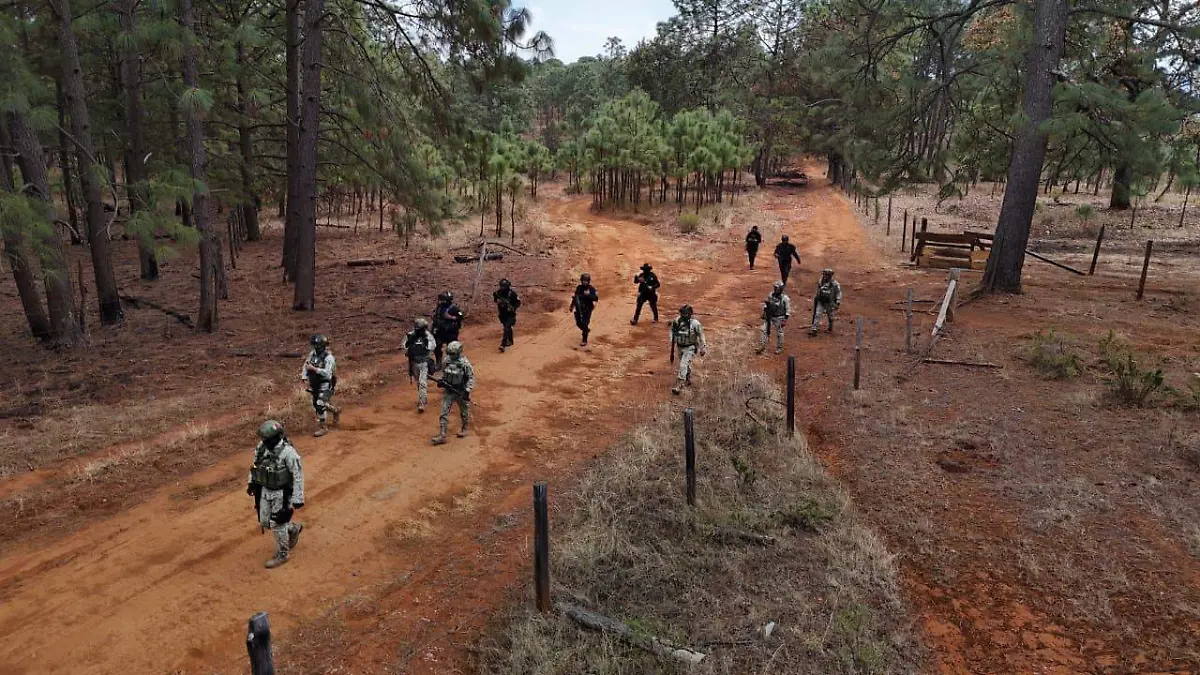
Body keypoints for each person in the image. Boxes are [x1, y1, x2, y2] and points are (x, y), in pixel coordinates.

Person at [246, 420, 304, 569]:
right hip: (265, 489)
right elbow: (255, 465)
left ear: (277, 437)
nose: (264, 442)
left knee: (278, 522)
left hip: (282, 493)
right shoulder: (261, 448)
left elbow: (297, 475)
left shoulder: (288, 453)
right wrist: (251, 482)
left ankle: (283, 554)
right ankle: (293, 529)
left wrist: (297, 499)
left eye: (267, 439)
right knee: (265, 521)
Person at [431, 341, 475, 445]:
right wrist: (441, 381)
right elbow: (443, 373)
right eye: (449, 353)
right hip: (449, 391)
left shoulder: (465, 363)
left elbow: (471, 377)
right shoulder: (446, 361)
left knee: (464, 412)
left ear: (459, 352)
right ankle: (442, 435)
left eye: (452, 354)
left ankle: (464, 429)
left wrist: (467, 390)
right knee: (443, 413)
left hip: (461, 391)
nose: (450, 356)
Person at [301, 334, 339, 437]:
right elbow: (306, 365)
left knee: (319, 403)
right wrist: (304, 377)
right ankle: (335, 411)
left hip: (327, 382)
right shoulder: (312, 354)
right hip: (315, 383)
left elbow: (328, 374)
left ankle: (323, 427)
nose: (315, 347)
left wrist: (314, 369)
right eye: (314, 345)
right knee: (316, 404)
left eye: (317, 345)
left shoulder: (329, 358)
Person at [669, 305, 706, 395]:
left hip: (690, 347)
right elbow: (672, 334)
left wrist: (703, 347)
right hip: (680, 346)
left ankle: (680, 384)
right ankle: (687, 377)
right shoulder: (676, 321)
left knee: (683, 364)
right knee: (685, 363)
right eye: (682, 314)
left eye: (685, 314)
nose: (683, 316)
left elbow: (701, 335)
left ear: (690, 314)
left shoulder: (695, 324)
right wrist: (672, 348)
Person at [403, 317, 437, 413]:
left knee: (422, 383)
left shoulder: (427, 336)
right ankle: (422, 397)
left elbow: (433, 346)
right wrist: (410, 344)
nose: (424, 330)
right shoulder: (410, 335)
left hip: (424, 363)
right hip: (414, 363)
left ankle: (422, 403)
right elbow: (404, 347)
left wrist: (425, 344)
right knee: (419, 382)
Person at [431, 291, 464, 368]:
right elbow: (436, 316)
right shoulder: (439, 307)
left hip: (451, 332)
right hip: (440, 331)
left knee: (452, 348)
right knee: (437, 347)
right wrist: (434, 317)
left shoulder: (454, 308)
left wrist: (451, 317)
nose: (441, 301)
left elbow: (461, 317)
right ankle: (438, 363)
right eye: (440, 300)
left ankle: (454, 362)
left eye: (443, 300)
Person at [758, 281, 793, 354]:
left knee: (779, 333)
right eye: (774, 287)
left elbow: (788, 310)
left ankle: (779, 348)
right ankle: (762, 346)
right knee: (764, 330)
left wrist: (785, 320)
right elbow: (766, 304)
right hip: (770, 316)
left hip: (779, 317)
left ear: (780, 289)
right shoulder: (771, 295)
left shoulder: (785, 298)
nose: (775, 289)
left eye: (776, 288)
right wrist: (764, 313)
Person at [810, 268, 843, 336]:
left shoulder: (835, 284)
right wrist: (817, 297)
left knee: (830, 316)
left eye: (827, 275)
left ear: (830, 276)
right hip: (821, 301)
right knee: (817, 314)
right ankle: (814, 329)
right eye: (825, 275)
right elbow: (818, 290)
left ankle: (830, 327)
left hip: (830, 303)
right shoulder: (821, 281)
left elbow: (838, 293)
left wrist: (838, 302)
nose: (825, 276)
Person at [492, 278, 523, 352]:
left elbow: (518, 302)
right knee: (507, 328)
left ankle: (503, 344)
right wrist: (498, 301)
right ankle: (510, 341)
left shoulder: (512, 294)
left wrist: (513, 307)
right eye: (501, 286)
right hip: (502, 314)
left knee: (506, 327)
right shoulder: (497, 293)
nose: (502, 288)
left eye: (504, 286)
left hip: (511, 315)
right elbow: (495, 299)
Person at [569, 273, 599, 347]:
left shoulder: (591, 289)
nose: (584, 282)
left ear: (588, 281)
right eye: (583, 280)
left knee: (585, 323)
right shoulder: (579, 288)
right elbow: (575, 297)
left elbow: (596, 298)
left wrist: (588, 295)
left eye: (586, 281)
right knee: (578, 323)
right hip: (579, 308)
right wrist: (571, 306)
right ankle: (586, 330)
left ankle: (584, 340)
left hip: (588, 308)